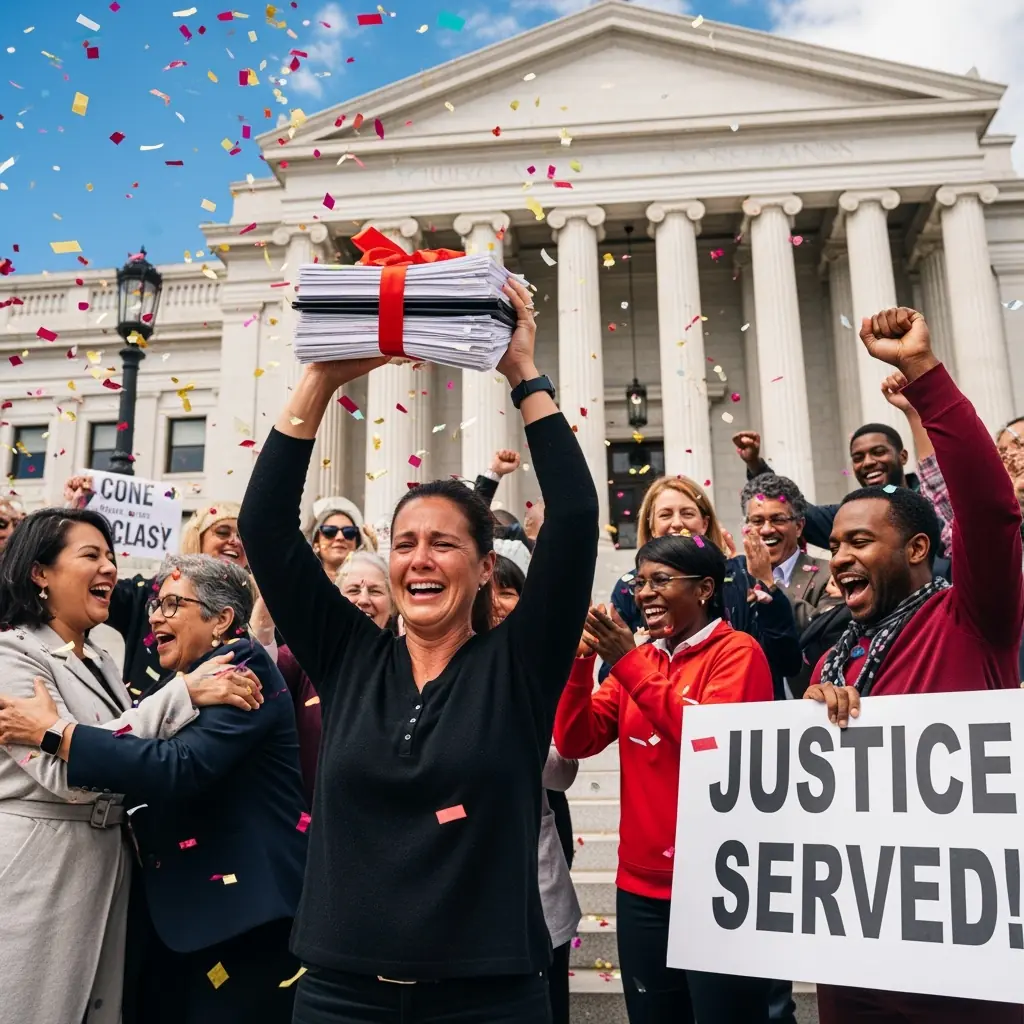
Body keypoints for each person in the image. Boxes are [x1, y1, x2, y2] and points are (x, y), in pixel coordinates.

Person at [238, 276, 599, 1023]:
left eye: (443, 544)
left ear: (482, 569)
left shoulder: (520, 666)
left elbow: (574, 515)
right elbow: (266, 526)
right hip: (341, 993)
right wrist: (321, 377)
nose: (419, 560)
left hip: (489, 996)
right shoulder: (347, 656)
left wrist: (522, 371)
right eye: (404, 545)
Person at [804, 308, 1024, 1024]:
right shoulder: (836, 649)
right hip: (855, 954)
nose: (838, 557)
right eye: (834, 543)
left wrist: (926, 378)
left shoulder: (972, 619)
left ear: (920, 551)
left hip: (961, 968)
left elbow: (990, 513)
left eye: (860, 540)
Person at [0, 511, 260, 1024]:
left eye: (112, 557)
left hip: (107, 869)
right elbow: (68, 775)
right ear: (40, 573)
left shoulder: (100, 657)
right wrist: (184, 692)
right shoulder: (13, 653)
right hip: (40, 868)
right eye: (91, 555)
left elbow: (109, 746)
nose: (110, 569)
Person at [555, 534, 774, 1024]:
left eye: (661, 580)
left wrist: (627, 661)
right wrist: (579, 663)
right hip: (641, 890)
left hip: (720, 886)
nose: (645, 592)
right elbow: (576, 741)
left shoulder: (738, 652)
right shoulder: (644, 660)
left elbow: (709, 739)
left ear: (704, 590)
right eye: (640, 582)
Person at [489, 552, 579, 1024]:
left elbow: (562, 770)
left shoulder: (543, 666)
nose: (500, 603)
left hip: (533, 883)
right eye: (492, 591)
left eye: (510, 591)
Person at [603, 475, 801, 687]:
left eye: (687, 513)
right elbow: (609, 680)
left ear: (705, 523)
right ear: (651, 527)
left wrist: (767, 587)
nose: (677, 524)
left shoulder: (744, 573)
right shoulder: (633, 587)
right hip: (653, 711)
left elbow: (786, 662)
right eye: (665, 515)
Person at [63, 477, 252, 693]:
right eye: (222, 532)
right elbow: (89, 583)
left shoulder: (262, 604)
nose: (235, 541)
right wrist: (76, 514)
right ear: (196, 539)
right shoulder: (147, 594)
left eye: (242, 535)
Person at [278, 549, 398, 804]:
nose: (364, 600)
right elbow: (262, 674)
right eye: (353, 590)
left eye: (375, 591)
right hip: (312, 826)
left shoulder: (415, 661)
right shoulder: (301, 656)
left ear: (393, 602)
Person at [740, 473, 840, 701]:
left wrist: (769, 584)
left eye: (777, 519)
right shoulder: (736, 577)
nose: (766, 529)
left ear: (799, 526)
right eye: (757, 521)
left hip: (809, 706)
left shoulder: (831, 573)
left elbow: (819, 633)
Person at [309, 495, 377, 579]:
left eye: (349, 532)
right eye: (330, 531)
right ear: (316, 542)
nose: (340, 537)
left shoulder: (369, 582)